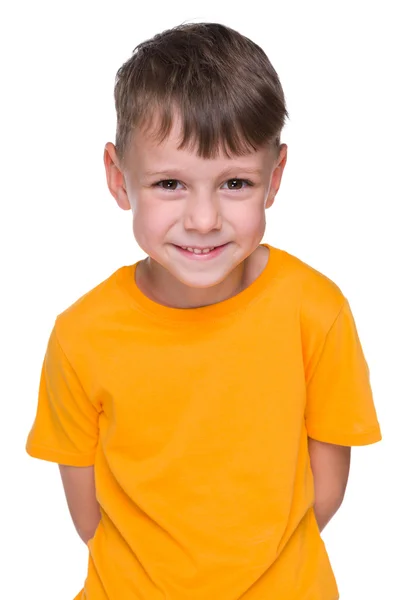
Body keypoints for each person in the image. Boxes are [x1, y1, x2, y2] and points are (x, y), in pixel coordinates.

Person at [25, 22, 382, 600]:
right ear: (119, 179)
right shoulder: (81, 335)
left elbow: (326, 493)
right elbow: (87, 516)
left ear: (276, 177)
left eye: (234, 182)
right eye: (170, 183)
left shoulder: (315, 311)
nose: (203, 219)